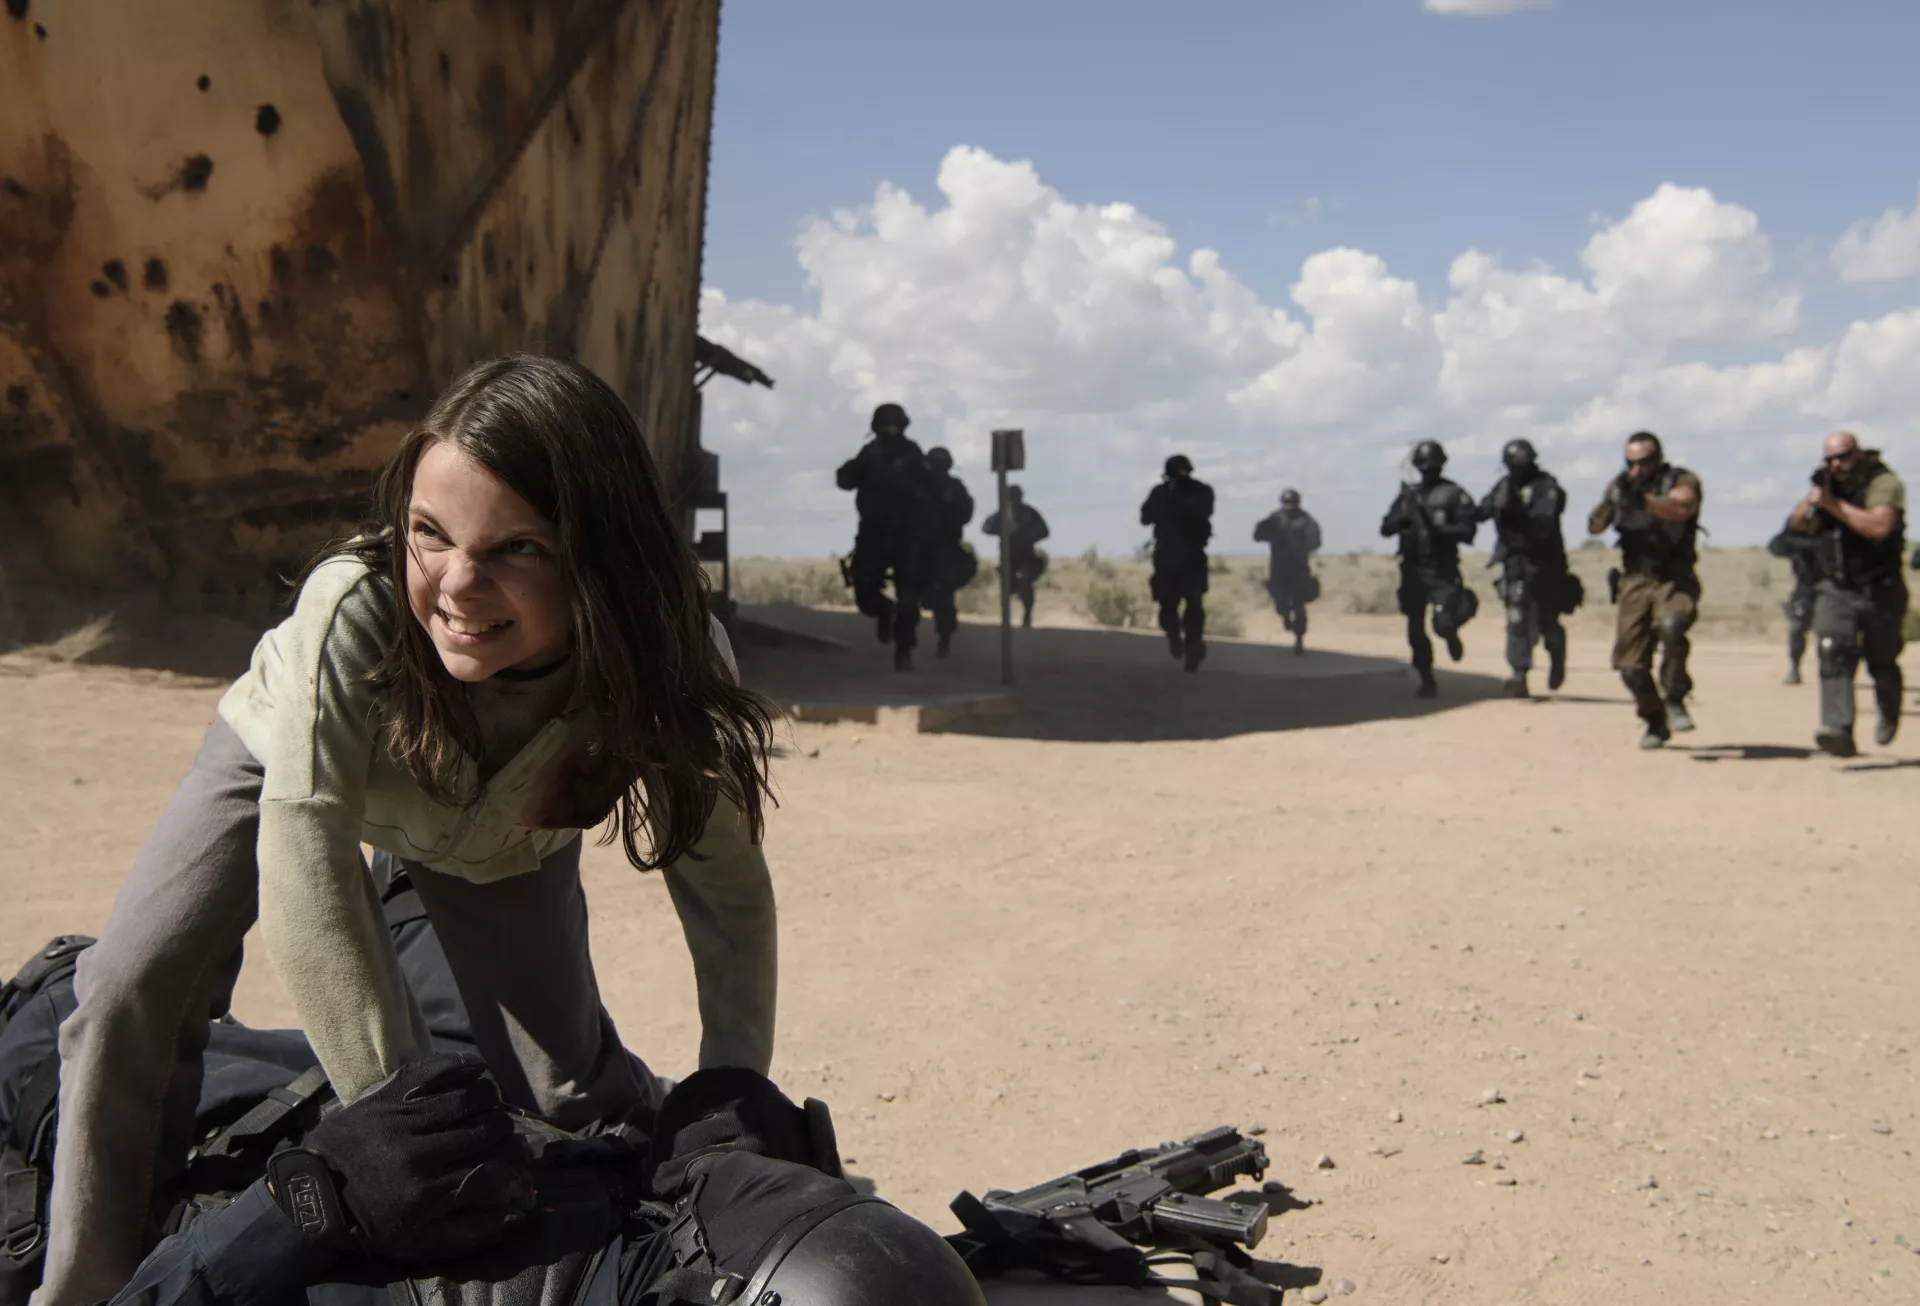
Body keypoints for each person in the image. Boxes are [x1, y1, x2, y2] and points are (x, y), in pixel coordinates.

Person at [31, 355, 781, 1306]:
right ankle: (85, 1287)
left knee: (569, 1096)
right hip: (293, 771)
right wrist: (397, 1119)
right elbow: (306, 860)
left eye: (518, 548)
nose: (458, 585)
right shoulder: (356, 607)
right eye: (429, 533)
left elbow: (726, 893)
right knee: (127, 991)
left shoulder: (668, 653)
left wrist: (732, 1086)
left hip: (499, 832)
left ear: (602, 555)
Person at [0, 924, 983, 1306]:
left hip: (124, 1124)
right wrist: (732, 1163)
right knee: (457, 829)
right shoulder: (690, 1250)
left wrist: (309, 1200)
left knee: (62, 1019)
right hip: (431, 1099)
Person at [1785, 430, 1907, 756]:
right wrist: (1814, 500)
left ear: (1858, 454)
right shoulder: (1828, 487)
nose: (1837, 465)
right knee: (1831, 648)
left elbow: (1878, 527)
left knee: (1882, 660)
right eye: (1830, 459)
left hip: (1880, 587)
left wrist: (1832, 505)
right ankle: (1837, 728)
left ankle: (1889, 709)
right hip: (1836, 587)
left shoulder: (1884, 483)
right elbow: (1796, 525)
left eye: (1843, 457)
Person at [1587, 430, 1703, 749]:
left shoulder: (1681, 480)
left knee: (1672, 626)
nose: (1637, 470)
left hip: (1673, 576)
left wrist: (1644, 501)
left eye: (1645, 462)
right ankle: (1654, 719)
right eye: (1631, 463)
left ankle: (1675, 695)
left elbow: (1681, 508)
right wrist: (1610, 504)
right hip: (1635, 580)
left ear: (1658, 459)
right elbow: (1595, 526)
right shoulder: (1619, 486)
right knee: (1630, 667)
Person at [1475, 439, 1577, 699]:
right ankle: (1519, 674)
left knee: (1548, 623)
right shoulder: (1504, 484)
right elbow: (1482, 511)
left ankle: (1557, 657)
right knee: (1517, 617)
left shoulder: (1546, 486)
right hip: (1516, 564)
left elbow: (1544, 525)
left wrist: (1516, 511)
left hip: (1546, 565)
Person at [1379, 441, 1479, 698]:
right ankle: (1426, 678)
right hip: (1412, 569)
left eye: (1433, 464)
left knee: (1442, 623)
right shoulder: (1408, 496)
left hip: (1442, 568)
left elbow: (1468, 530)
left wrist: (1439, 530)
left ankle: (1452, 632)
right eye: (1423, 464)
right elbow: (1385, 527)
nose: (1428, 469)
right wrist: (1400, 521)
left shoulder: (1454, 494)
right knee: (1415, 629)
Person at [835, 403, 932, 670]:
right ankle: (887, 616)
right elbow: (845, 479)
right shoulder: (873, 453)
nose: (890, 431)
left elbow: (927, 491)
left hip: (902, 534)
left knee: (907, 595)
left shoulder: (909, 454)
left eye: (894, 426)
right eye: (886, 426)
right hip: (878, 532)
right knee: (867, 589)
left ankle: (903, 648)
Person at [1140, 455, 1215, 671]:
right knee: (1178, 605)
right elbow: (1145, 517)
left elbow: (1205, 512)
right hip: (1178, 556)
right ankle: (1181, 638)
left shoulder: (1193, 491)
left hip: (1182, 556)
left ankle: (1187, 643)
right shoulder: (1166, 492)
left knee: (1185, 604)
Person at [920, 447, 977, 657]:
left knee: (944, 595)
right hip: (919, 547)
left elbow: (966, 512)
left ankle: (944, 639)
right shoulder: (918, 485)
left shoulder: (954, 487)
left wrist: (948, 516)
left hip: (945, 547)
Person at [1252, 488, 1322, 655]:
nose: (1289, 507)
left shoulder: (1306, 520)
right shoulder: (1275, 518)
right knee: (1279, 600)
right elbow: (1258, 534)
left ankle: (1299, 638)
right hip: (1278, 567)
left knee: (1299, 603)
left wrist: (1305, 545)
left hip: (1299, 567)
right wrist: (1267, 534)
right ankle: (1284, 615)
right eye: (1287, 503)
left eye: (1292, 504)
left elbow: (1315, 540)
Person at [980, 485, 1050, 628]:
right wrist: (1002, 530)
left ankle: (1027, 614)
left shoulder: (1029, 513)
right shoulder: (1003, 514)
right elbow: (986, 527)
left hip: (1026, 555)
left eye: (1015, 496)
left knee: (1026, 580)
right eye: (1011, 497)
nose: (1013, 500)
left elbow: (1044, 531)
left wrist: (1029, 535)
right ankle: (1006, 616)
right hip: (1008, 556)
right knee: (1008, 585)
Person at [1766, 517, 1820, 685]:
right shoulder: (1797, 540)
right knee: (1797, 628)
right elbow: (1775, 546)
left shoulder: (1828, 533)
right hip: (1806, 589)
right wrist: (1792, 527)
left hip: (1836, 588)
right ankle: (1795, 668)